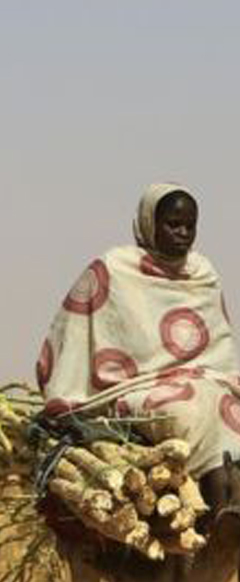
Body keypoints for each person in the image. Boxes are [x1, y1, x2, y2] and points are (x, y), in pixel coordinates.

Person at [37, 182, 240, 509]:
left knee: (221, 402)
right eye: (173, 224)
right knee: (189, 411)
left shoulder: (202, 273)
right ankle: (217, 518)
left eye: (190, 225)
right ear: (150, 223)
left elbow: (218, 350)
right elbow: (72, 331)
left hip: (202, 380)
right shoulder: (114, 268)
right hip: (133, 388)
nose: (183, 233)